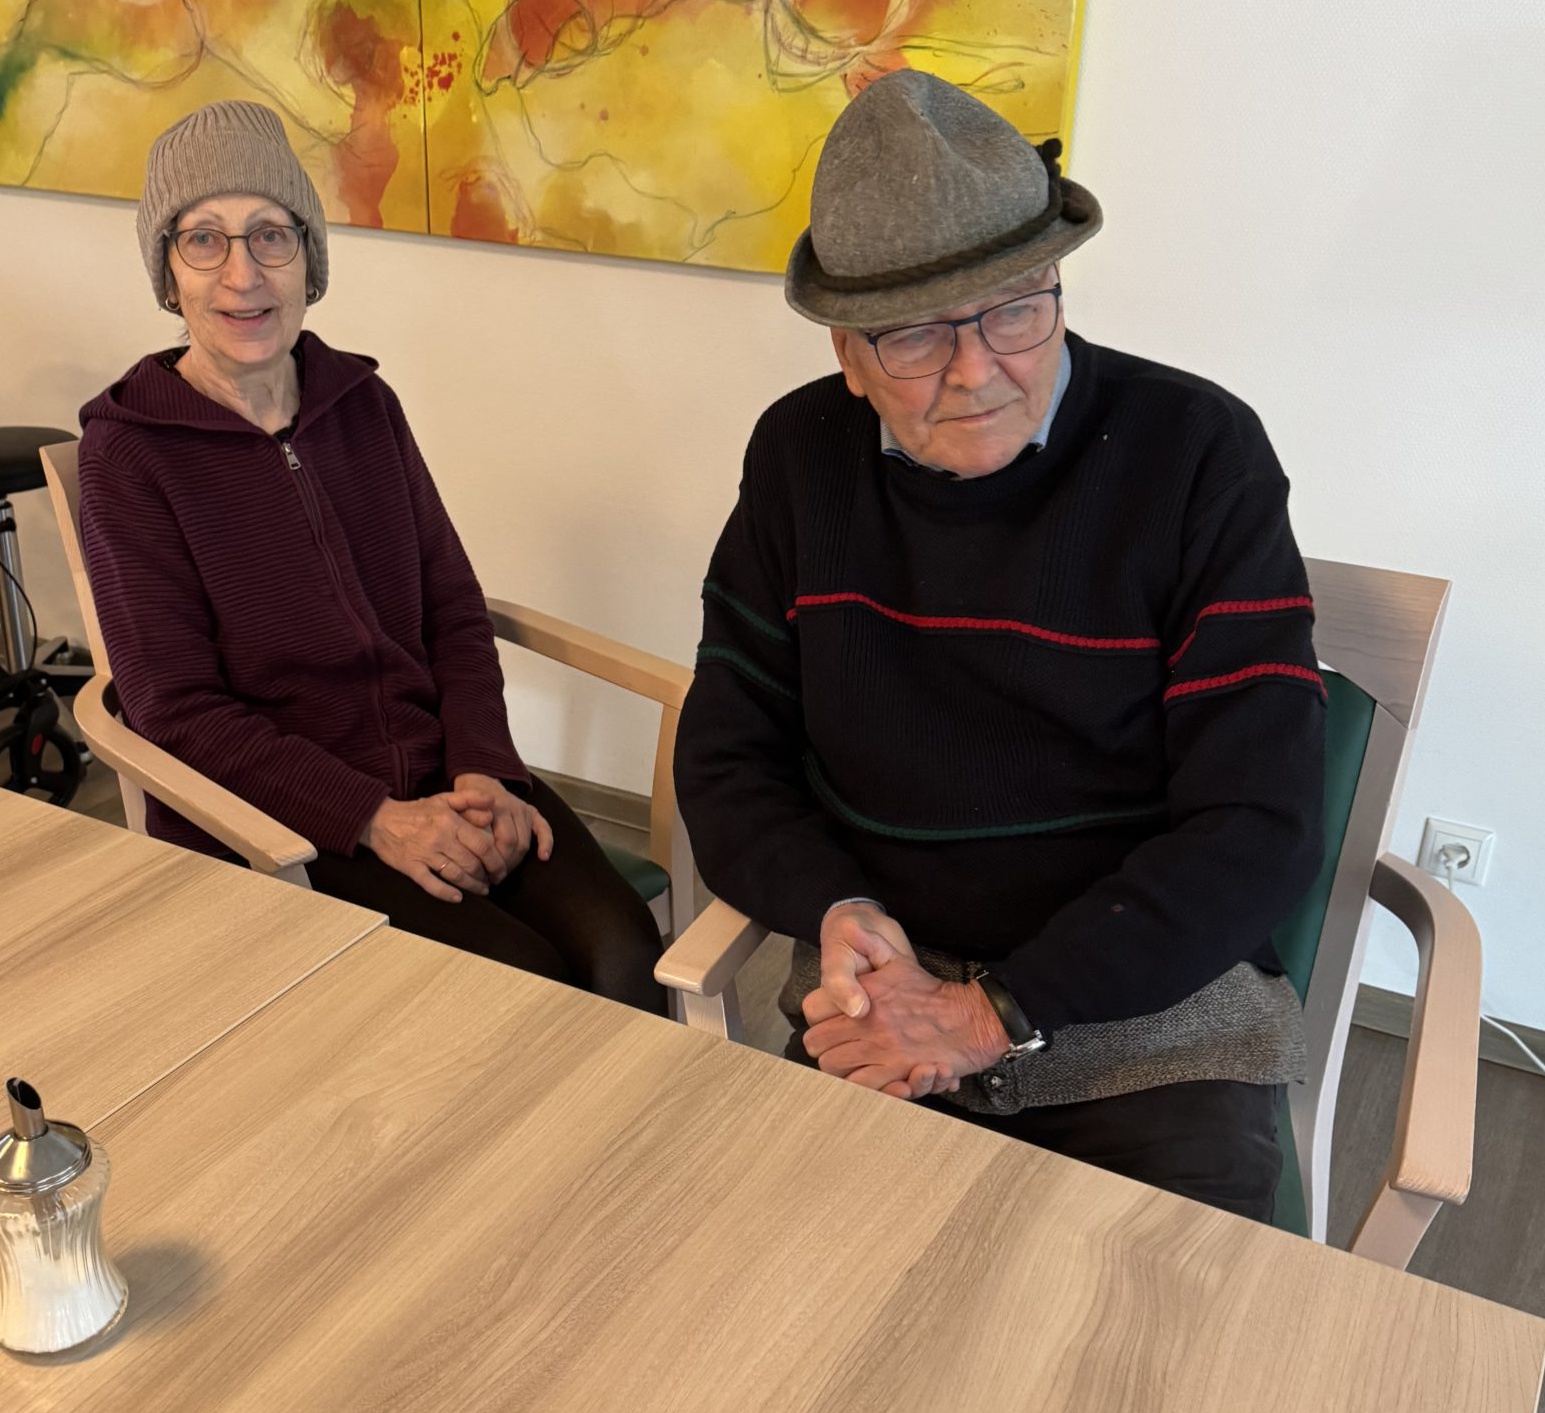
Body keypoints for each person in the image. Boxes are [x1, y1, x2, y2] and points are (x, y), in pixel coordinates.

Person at [674, 71, 1326, 1219]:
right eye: (916, 334)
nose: (976, 370)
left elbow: (1258, 824)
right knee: (776, 1286)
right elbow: (731, 753)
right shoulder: (797, 457)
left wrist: (993, 1013)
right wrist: (835, 908)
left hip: (1150, 1024)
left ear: (1057, 290)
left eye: (1016, 309)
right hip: (880, 993)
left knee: (1159, 1316)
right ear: (847, 353)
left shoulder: (1197, 453)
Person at [78, 99, 664, 1012]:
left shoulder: (360, 404)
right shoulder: (129, 453)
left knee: (626, 953)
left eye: (271, 235)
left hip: (440, 769)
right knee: (524, 988)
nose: (243, 274)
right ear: (168, 271)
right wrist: (375, 820)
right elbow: (175, 710)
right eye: (204, 240)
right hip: (277, 817)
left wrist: (485, 770)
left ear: (309, 258)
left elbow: (452, 607)